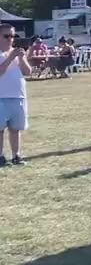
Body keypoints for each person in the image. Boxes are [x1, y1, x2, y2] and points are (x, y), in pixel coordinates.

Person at [0, 24, 31, 166]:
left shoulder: (17, 53)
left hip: (18, 96)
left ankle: (16, 156)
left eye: (13, 36)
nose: (10, 39)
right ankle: (0, 157)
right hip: (1, 97)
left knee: (15, 129)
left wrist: (22, 58)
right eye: (6, 36)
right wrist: (10, 58)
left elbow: (27, 72)